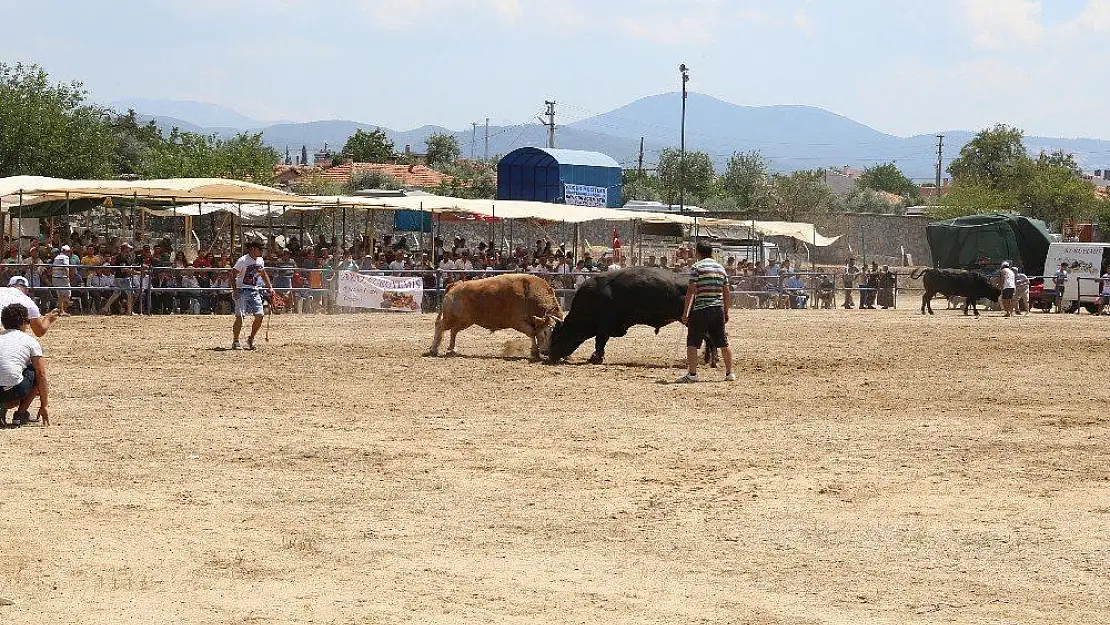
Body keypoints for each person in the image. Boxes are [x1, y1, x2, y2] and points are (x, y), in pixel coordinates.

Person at [677, 241, 734, 384]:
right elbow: (726, 292)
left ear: (698, 253)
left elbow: (691, 291)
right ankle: (729, 373)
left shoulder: (697, 267)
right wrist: (726, 311)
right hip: (717, 309)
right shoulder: (721, 268)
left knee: (692, 342)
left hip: (701, 309)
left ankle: (692, 374)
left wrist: (685, 313)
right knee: (723, 343)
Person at [0, 303, 49, 427]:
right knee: (33, 369)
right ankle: (20, 414)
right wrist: (44, 405)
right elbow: (41, 374)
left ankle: (2, 409)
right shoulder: (30, 341)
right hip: (15, 391)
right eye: (27, 321)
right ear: (23, 322)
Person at [229, 240, 276, 350]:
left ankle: (251, 338)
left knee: (260, 315)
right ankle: (235, 340)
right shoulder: (242, 260)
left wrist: (270, 287)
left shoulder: (260, 260)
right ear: (253, 249)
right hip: (241, 290)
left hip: (255, 291)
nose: (262, 251)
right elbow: (232, 275)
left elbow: (263, 274)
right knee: (240, 316)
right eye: (260, 249)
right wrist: (235, 290)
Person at [51, 245, 74, 316]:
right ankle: (61, 311)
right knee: (67, 294)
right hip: (62, 278)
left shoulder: (57, 257)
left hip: (55, 278)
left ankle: (60, 310)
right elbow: (66, 267)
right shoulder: (65, 257)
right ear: (67, 251)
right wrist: (68, 277)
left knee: (61, 295)